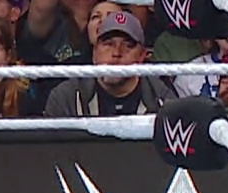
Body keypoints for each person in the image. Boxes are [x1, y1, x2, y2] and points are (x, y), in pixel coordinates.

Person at [43, 10, 172, 117]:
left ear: (142, 56)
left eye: (127, 46)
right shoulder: (66, 98)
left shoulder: (164, 101)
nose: (116, 53)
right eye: (108, 44)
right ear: (94, 53)